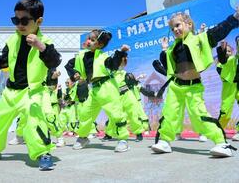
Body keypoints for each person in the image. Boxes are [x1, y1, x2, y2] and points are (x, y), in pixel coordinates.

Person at [0, 0, 62, 171]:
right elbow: (5, 59)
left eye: (24, 20)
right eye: (15, 20)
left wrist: (41, 47)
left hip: (32, 91)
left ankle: (43, 153)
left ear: (38, 21)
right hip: (11, 92)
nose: (19, 24)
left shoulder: (46, 43)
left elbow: (54, 61)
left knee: (35, 122)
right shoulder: (12, 40)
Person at [151, 10, 239, 157]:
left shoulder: (199, 40)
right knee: (169, 114)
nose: (175, 30)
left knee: (199, 115)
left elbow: (218, 31)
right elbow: (167, 66)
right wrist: (164, 49)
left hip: (193, 86)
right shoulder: (173, 48)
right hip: (176, 87)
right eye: (172, 28)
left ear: (189, 24)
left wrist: (235, 18)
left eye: (177, 25)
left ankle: (221, 142)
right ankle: (164, 141)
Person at [65, 29, 130, 152]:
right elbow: (69, 65)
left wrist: (121, 52)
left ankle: (123, 139)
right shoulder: (81, 56)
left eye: (92, 40)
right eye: (88, 38)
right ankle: (83, 137)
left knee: (115, 113)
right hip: (93, 89)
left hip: (107, 87)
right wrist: (75, 74)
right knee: (85, 113)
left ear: (100, 44)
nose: (88, 41)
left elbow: (113, 65)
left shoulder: (103, 57)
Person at [216, 39, 239, 141]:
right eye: (226, 51)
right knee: (225, 111)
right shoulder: (221, 64)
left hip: (237, 85)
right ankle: (217, 130)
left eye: (229, 51)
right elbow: (223, 63)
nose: (228, 53)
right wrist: (222, 50)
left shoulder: (235, 59)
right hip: (228, 88)